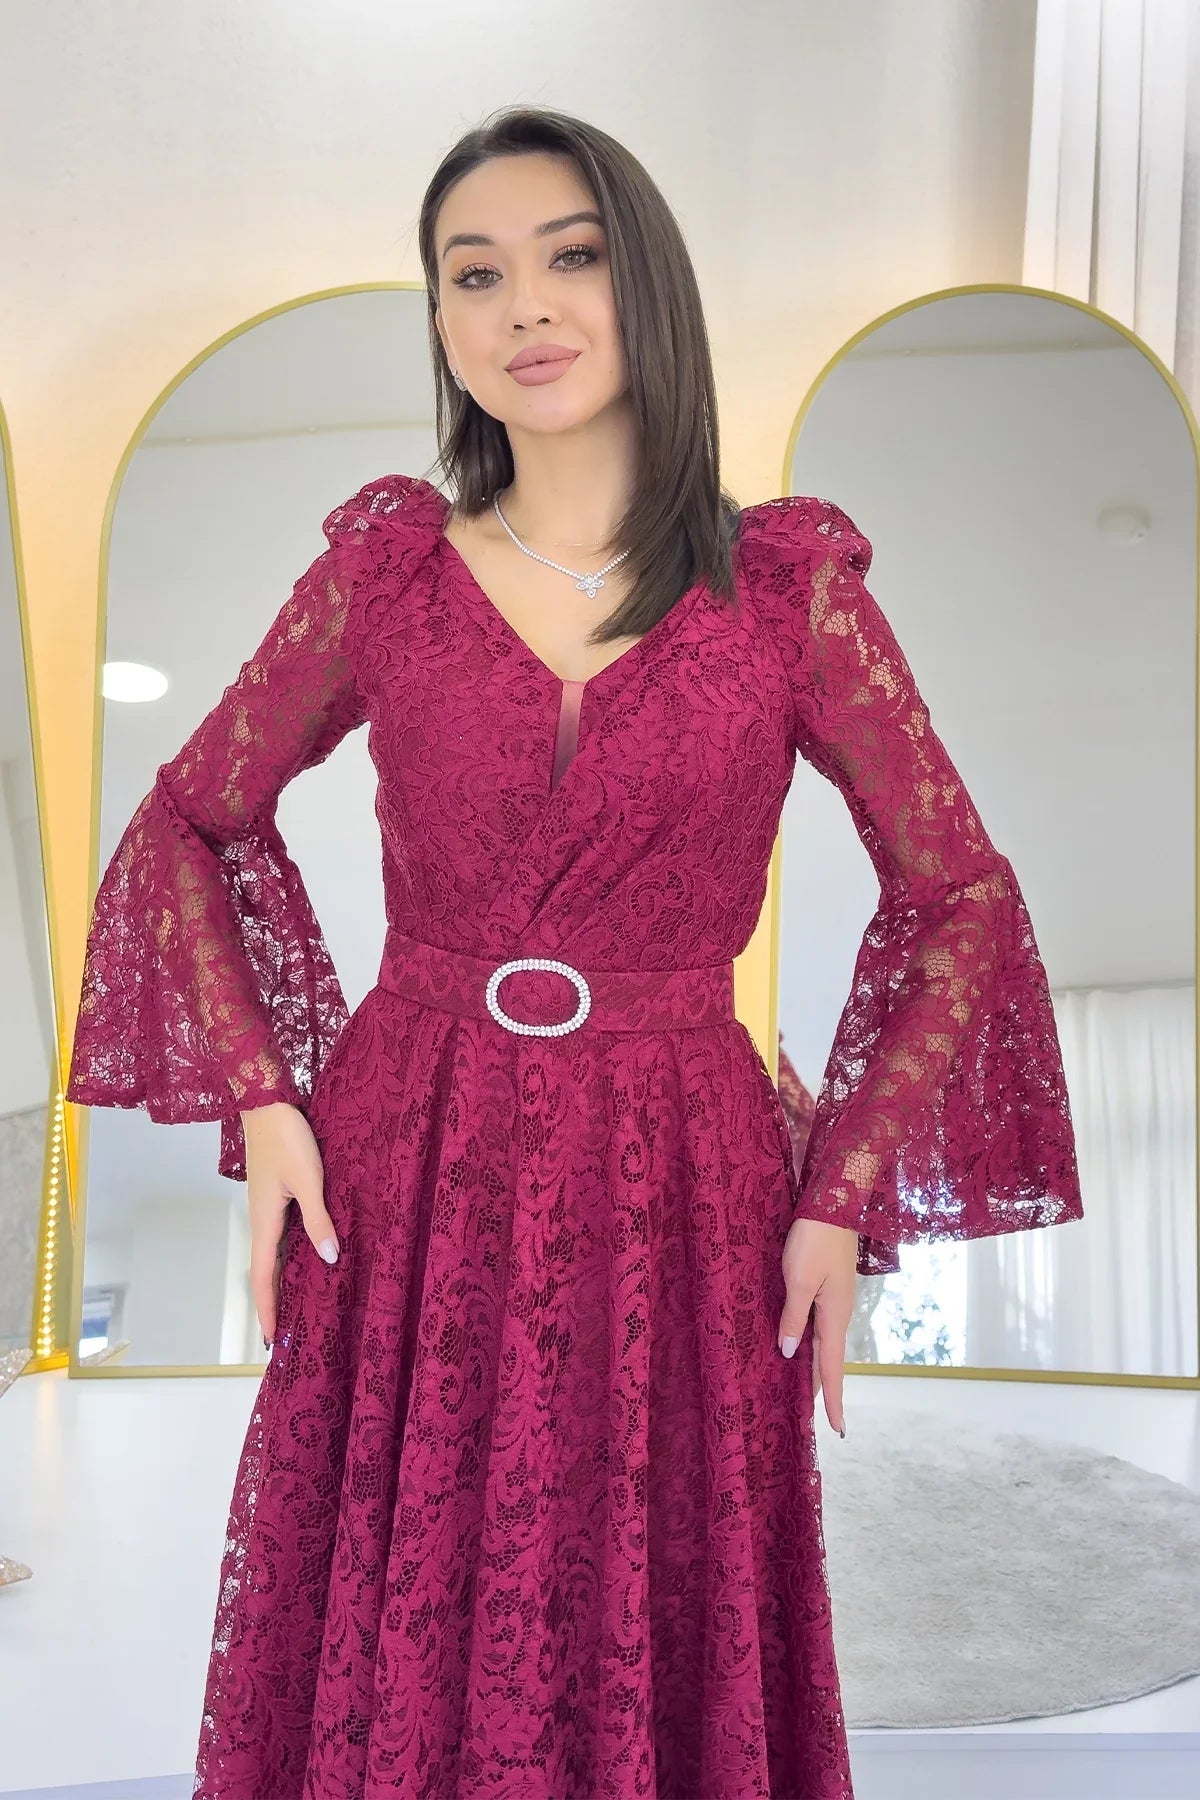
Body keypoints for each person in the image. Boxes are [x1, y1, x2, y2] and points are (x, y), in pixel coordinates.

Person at [66, 104, 1084, 1800]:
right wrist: (266, 1098)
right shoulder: (386, 574)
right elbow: (188, 818)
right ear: (443, 321)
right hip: (409, 1155)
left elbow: (960, 895)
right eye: (474, 275)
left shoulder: (786, 591)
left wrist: (840, 1189)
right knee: (391, 1607)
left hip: (682, 1173)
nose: (524, 306)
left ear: (646, 284)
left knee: (652, 1617)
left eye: (572, 256)